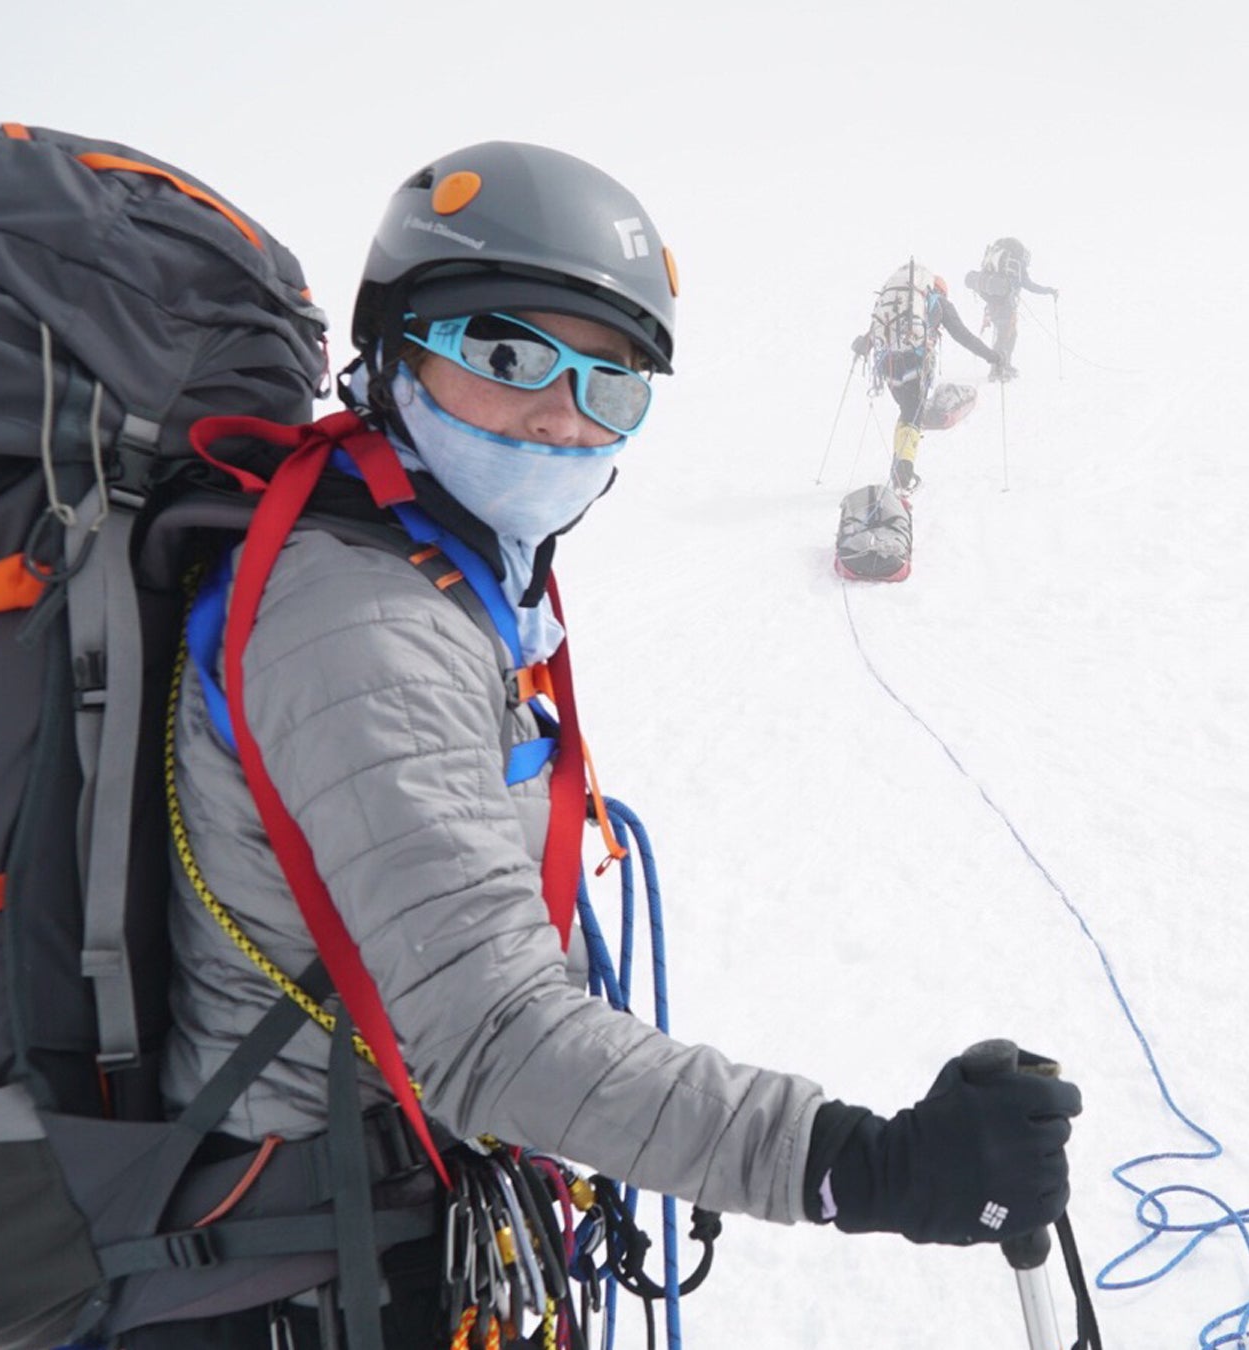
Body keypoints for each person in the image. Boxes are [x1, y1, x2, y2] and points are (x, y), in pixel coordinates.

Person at [155, 143, 1079, 1345]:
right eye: (506, 351)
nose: (559, 414)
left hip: (364, 1220)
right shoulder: (361, 627)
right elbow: (494, 1032)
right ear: (387, 355)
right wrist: (867, 1165)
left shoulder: (425, 573)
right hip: (287, 1276)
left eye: (613, 383)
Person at [849, 259, 1004, 492]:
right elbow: (964, 337)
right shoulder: (940, 304)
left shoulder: (900, 305)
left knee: (907, 413)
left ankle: (900, 465)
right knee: (912, 416)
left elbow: (874, 333)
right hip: (915, 363)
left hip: (888, 366)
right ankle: (904, 470)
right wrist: (993, 356)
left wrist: (863, 346)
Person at [964, 236, 1058, 375]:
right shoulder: (1017, 269)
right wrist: (1049, 291)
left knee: (1005, 334)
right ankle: (999, 368)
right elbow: (1030, 286)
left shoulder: (1000, 269)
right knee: (1006, 335)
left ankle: (1002, 365)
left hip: (993, 304)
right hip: (1005, 304)